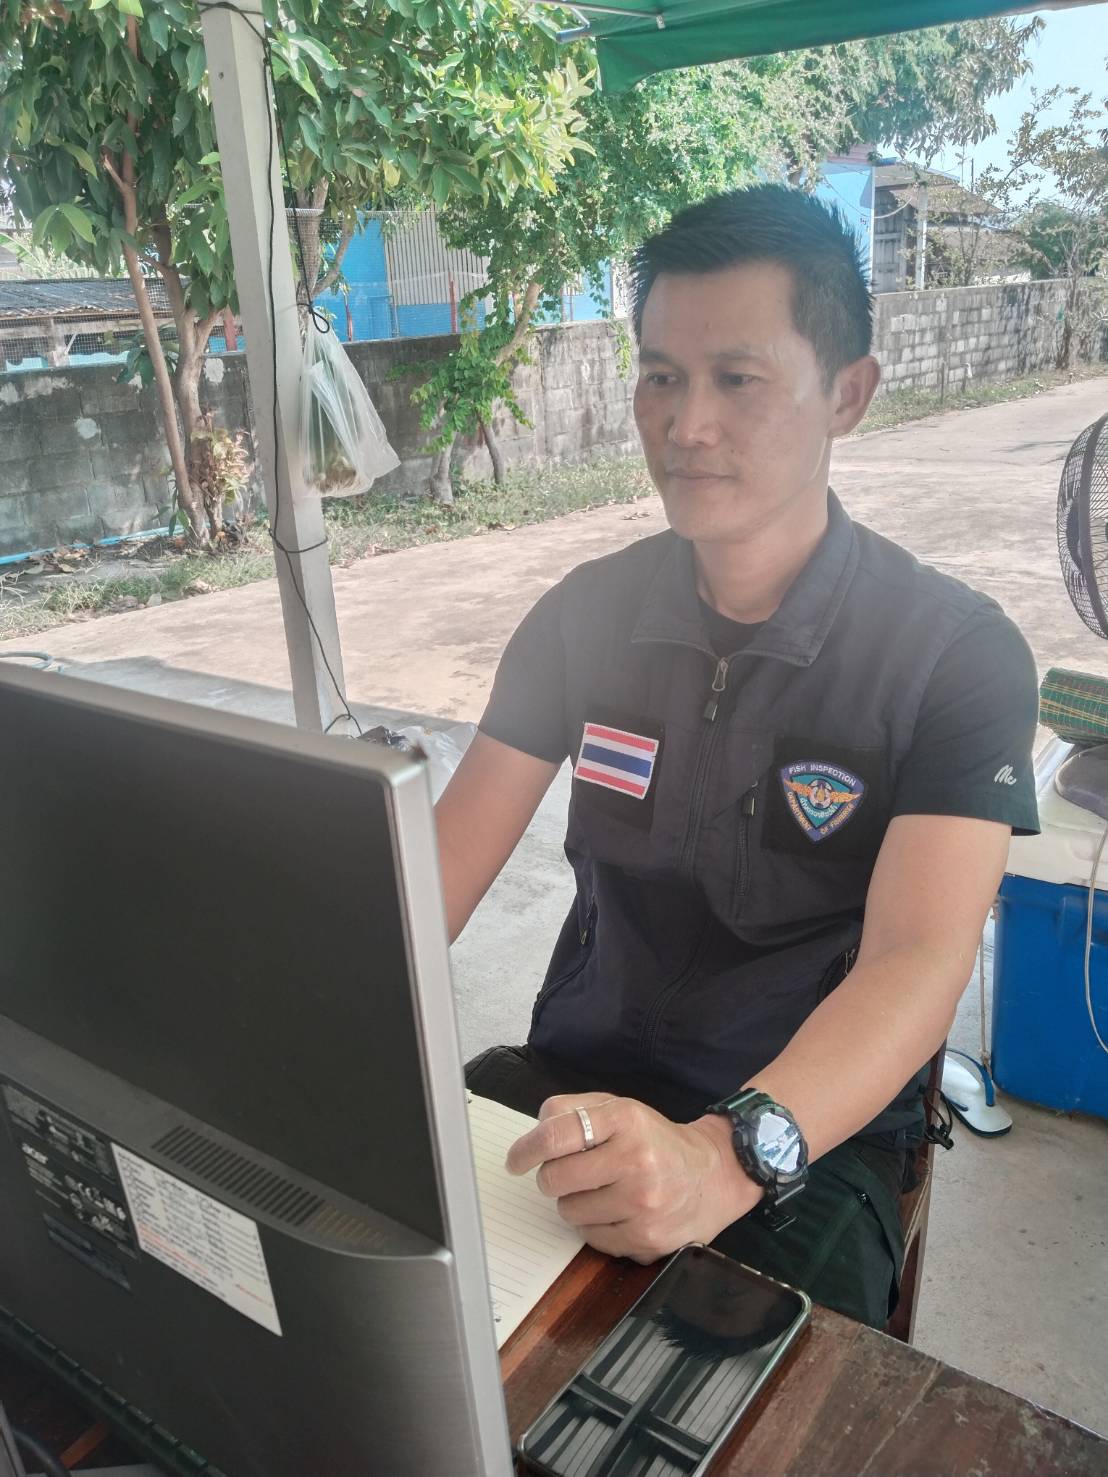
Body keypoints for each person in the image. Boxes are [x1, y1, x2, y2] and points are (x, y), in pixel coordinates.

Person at [435, 185, 1040, 1328]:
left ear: (846, 393)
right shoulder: (583, 617)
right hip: (572, 1087)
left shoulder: (954, 656)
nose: (685, 424)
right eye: (661, 376)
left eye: (736, 379)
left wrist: (725, 1156)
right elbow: (433, 878)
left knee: (732, 1407)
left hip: (809, 1138)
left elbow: (918, 956)